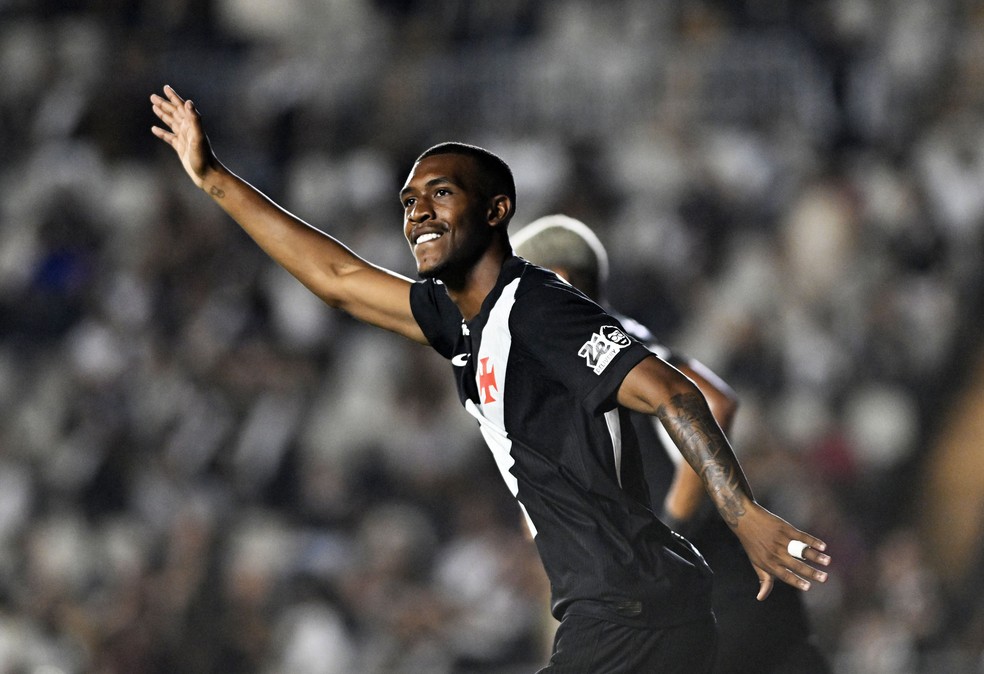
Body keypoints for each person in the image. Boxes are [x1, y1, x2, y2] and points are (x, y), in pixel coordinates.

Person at [150, 84, 831, 673]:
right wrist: (212, 178)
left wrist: (740, 514)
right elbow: (339, 278)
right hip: (634, 609)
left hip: (631, 612)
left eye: (440, 194)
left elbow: (679, 391)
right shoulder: (463, 319)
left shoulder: (539, 307)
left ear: (497, 210)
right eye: (409, 200)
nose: (417, 211)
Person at [511, 214, 831, 674]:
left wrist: (673, 528)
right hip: (743, 591)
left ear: (559, 281)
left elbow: (715, 402)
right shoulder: (592, 356)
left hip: (705, 605)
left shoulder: (596, 348)